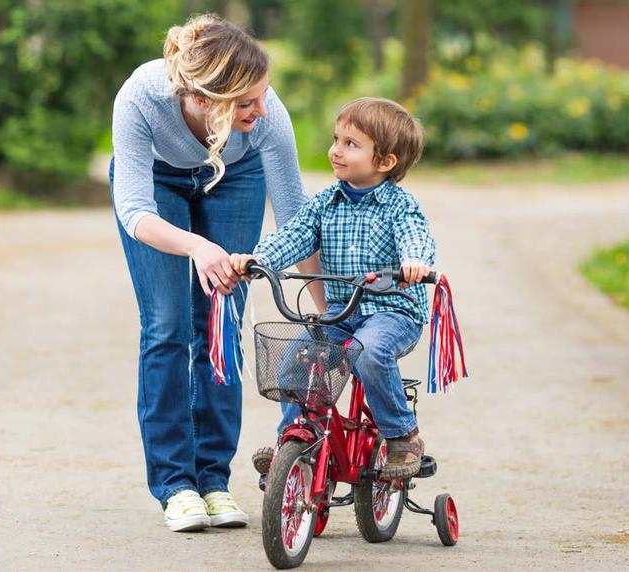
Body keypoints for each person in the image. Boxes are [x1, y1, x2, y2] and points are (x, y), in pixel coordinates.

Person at [110, 14, 325, 532]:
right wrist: (198, 248)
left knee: (221, 323)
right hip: (158, 185)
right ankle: (175, 486)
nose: (262, 108)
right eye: (246, 103)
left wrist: (327, 309)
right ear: (205, 100)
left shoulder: (267, 117)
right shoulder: (141, 97)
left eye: (263, 95)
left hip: (235, 177)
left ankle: (213, 480)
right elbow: (135, 211)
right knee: (167, 327)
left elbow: (295, 218)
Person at [231, 96, 436, 479]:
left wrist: (415, 263)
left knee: (370, 351)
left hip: (392, 311)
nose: (335, 151)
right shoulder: (324, 203)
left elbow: (415, 237)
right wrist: (258, 260)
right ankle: (296, 441)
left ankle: (401, 435)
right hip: (341, 310)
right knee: (293, 358)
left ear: (385, 162)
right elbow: (294, 236)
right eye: (336, 139)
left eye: (350, 144)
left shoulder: (399, 206)